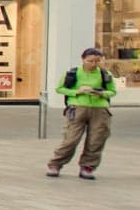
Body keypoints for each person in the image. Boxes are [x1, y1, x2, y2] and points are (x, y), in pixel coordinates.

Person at [45, 47, 116, 179]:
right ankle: (55, 164)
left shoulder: (105, 74)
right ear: (83, 59)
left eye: (97, 61)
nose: (93, 64)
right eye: (90, 61)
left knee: (96, 139)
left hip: (99, 108)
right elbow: (60, 89)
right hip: (77, 108)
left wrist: (100, 93)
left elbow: (112, 91)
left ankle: (88, 167)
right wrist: (77, 91)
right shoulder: (73, 73)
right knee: (71, 139)